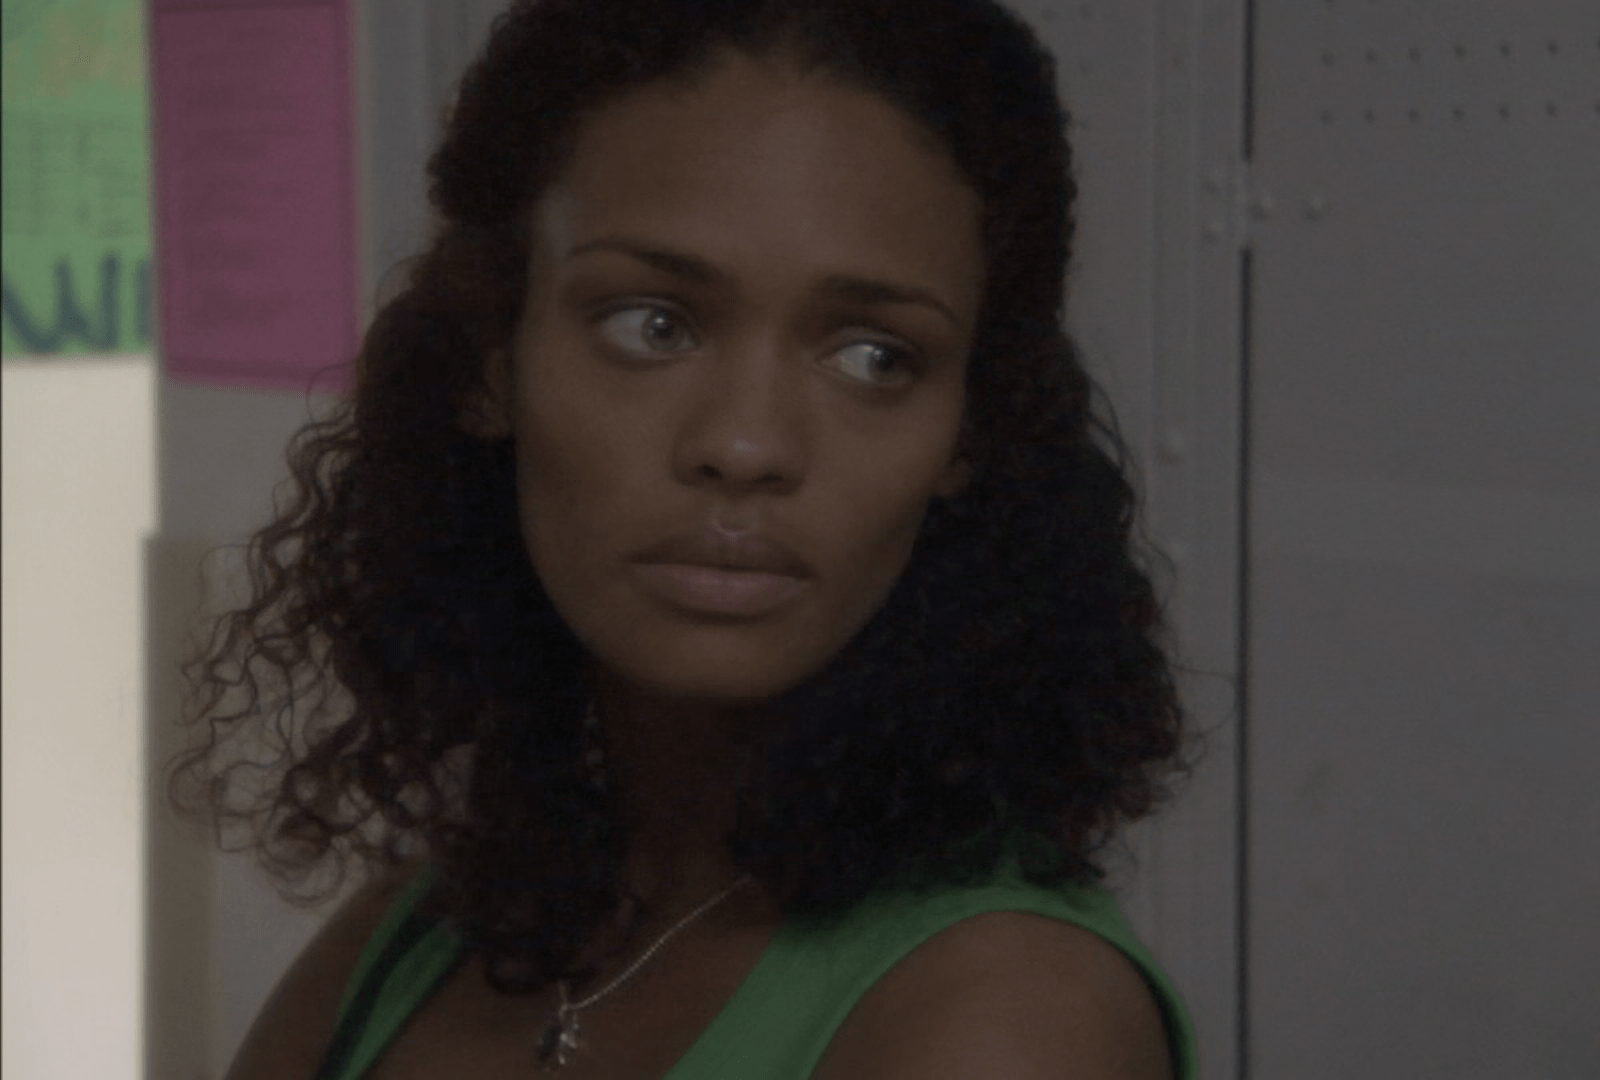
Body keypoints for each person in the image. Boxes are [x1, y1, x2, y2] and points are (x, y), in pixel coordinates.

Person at [177, 1, 1195, 1076]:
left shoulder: (1008, 1015)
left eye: (873, 357)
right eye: (652, 325)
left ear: (972, 432)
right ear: (492, 359)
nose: (745, 444)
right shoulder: (407, 940)